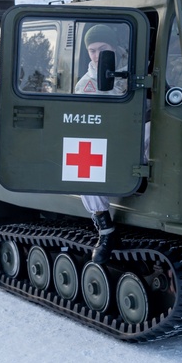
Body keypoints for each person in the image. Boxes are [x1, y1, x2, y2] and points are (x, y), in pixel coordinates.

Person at [74, 24, 128, 263]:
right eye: (92, 50)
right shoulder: (86, 84)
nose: (97, 55)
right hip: (107, 142)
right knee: (82, 165)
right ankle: (105, 230)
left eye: (103, 49)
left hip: (136, 137)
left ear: (114, 47)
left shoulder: (138, 69)